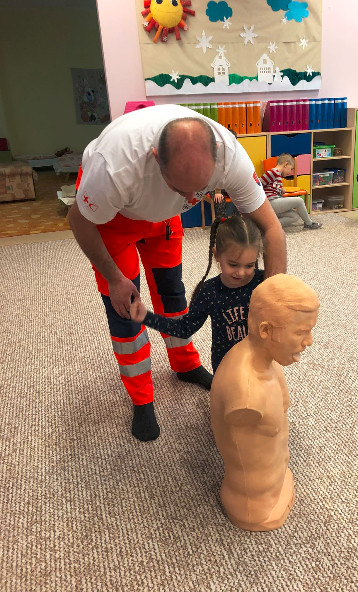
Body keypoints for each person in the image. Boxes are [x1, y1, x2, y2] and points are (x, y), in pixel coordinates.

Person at [68, 104, 286, 443]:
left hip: (164, 221)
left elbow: (273, 230)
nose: (190, 197)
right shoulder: (112, 167)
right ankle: (142, 398)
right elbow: (78, 222)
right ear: (156, 158)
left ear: (217, 157)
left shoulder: (232, 157)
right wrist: (114, 278)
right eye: (180, 187)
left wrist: (270, 301)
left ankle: (184, 363)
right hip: (112, 221)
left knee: (172, 294)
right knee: (125, 310)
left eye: (198, 189)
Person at [210, 274, 320, 531]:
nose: (309, 341)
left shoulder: (270, 361)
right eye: (301, 332)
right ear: (265, 330)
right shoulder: (246, 395)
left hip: (276, 483)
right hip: (253, 503)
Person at [130, 216, 264, 373]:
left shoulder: (262, 281)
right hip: (227, 367)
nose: (241, 272)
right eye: (233, 264)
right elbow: (184, 328)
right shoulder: (209, 291)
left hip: (260, 361)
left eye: (249, 265)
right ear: (216, 254)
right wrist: (147, 317)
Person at [260, 153, 322, 229]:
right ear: (285, 164)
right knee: (299, 201)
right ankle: (309, 223)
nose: (290, 172)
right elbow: (258, 184)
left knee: (295, 216)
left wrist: (280, 190)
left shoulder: (277, 175)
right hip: (270, 203)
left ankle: (269, 226)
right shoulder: (273, 172)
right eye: (291, 169)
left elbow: (271, 188)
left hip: (274, 203)